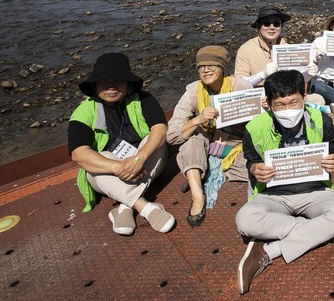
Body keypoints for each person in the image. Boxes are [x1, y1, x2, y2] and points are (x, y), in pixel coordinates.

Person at [235, 70, 334, 294]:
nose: (288, 109)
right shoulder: (255, 127)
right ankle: (325, 232)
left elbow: (330, 153)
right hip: (273, 195)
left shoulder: (322, 121)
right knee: (244, 221)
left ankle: (267, 252)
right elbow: (251, 160)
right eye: (280, 104)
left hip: (314, 192)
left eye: (293, 102)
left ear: (304, 98)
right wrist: (255, 169)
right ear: (268, 104)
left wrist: (333, 163)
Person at [67, 53, 174, 235]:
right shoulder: (83, 111)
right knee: (102, 156)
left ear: (127, 83)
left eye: (118, 82)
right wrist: (119, 167)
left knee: (154, 141)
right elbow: (79, 154)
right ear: (95, 86)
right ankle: (145, 207)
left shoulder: (144, 99)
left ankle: (123, 208)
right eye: (104, 83)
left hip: (143, 164)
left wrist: (139, 159)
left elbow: (160, 130)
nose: (111, 88)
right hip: (106, 174)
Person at [167, 46, 252, 228]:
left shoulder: (241, 86)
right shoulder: (193, 91)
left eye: (211, 66)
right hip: (206, 141)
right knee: (191, 138)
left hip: (235, 143)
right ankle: (198, 196)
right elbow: (172, 136)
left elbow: (258, 125)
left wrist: (263, 107)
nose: (206, 70)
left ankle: (198, 175)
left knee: (257, 170)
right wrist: (198, 119)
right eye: (201, 67)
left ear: (222, 68)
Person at [235, 5, 288, 85]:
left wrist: (307, 74)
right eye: (266, 24)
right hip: (258, 95)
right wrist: (262, 75)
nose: (272, 27)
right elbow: (240, 84)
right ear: (258, 26)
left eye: (276, 24)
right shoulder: (245, 50)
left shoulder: (289, 48)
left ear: (281, 26)